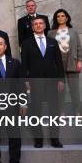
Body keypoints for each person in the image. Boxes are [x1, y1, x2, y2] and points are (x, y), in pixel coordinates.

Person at [21, 16, 65, 148]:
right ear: (33, 27)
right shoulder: (27, 43)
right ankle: (38, 138)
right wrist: (25, 80)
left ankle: (54, 139)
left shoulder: (53, 42)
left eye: (41, 23)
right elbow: (24, 64)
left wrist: (61, 80)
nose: (39, 25)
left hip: (52, 81)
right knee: (35, 110)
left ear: (45, 26)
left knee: (54, 110)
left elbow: (59, 63)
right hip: (35, 81)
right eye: (36, 24)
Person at [48, 9, 82, 114]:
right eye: (58, 16)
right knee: (60, 90)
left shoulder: (73, 31)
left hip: (72, 62)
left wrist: (80, 60)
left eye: (62, 16)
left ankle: (78, 111)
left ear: (67, 18)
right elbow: (49, 49)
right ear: (56, 19)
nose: (60, 18)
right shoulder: (50, 33)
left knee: (74, 90)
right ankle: (61, 112)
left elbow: (79, 47)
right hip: (57, 64)